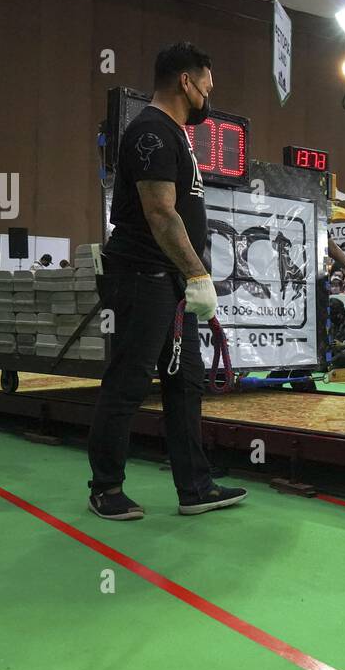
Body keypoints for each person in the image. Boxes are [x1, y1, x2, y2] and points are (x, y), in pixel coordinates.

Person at [87, 42, 245, 520]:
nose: (208, 97)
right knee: (128, 383)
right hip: (141, 278)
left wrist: (187, 278)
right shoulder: (151, 132)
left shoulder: (175, 134)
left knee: (184, 384)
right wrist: (197, 272)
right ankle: (105, 488)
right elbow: (160, 214)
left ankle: (194, 487)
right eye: (207, 86)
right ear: (186, 82)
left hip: (170, 285)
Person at [326, 299, 345, 369]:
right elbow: (328, 348)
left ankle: (329, 365)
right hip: (336, 356)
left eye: (331, 315)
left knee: (343, 357)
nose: (330, 318)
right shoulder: (332, 326)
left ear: (339, 314)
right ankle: (328, 364)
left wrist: (344, 345)